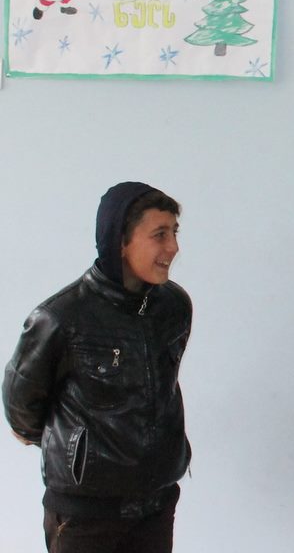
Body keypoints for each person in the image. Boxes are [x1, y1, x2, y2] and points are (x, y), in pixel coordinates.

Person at [4, 182, 192, 552]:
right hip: (85, 512)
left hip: (156, 503)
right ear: (120, 241)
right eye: (159, 234)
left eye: (174, 232)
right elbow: (21, 408)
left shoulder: (174, 306)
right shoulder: (60, 317)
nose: (173, 247)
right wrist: (75, 447)